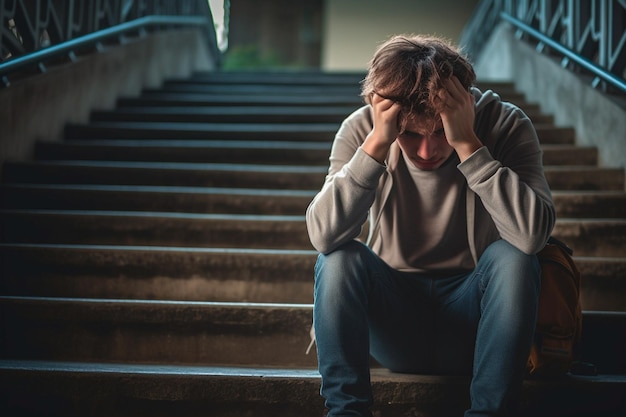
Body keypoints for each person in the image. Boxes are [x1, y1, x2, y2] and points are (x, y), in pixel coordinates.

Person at [305, 34, 556, 417]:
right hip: (394, 324)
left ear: (465, 104)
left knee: (514, 257)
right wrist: (376, 146)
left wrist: (469, 145)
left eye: (440, 132)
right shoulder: (362, 131)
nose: (427, 151)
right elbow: (323, 236)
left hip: (480, 322)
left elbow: (532, 237)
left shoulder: (504, 124)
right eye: (409, 134)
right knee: (339, 260)